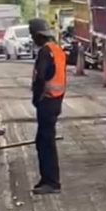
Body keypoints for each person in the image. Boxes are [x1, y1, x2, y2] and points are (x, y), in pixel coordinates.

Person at [29, 18, 67, 195]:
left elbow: (41, 77)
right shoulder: (57, 50)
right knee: (44, 141)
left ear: (37, 35)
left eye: (32, 36)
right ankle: (47, 179)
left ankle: (51, 182)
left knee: (45, 142)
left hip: (46, 101)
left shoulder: (45, 52)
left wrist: (36, 98)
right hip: (56, 101)